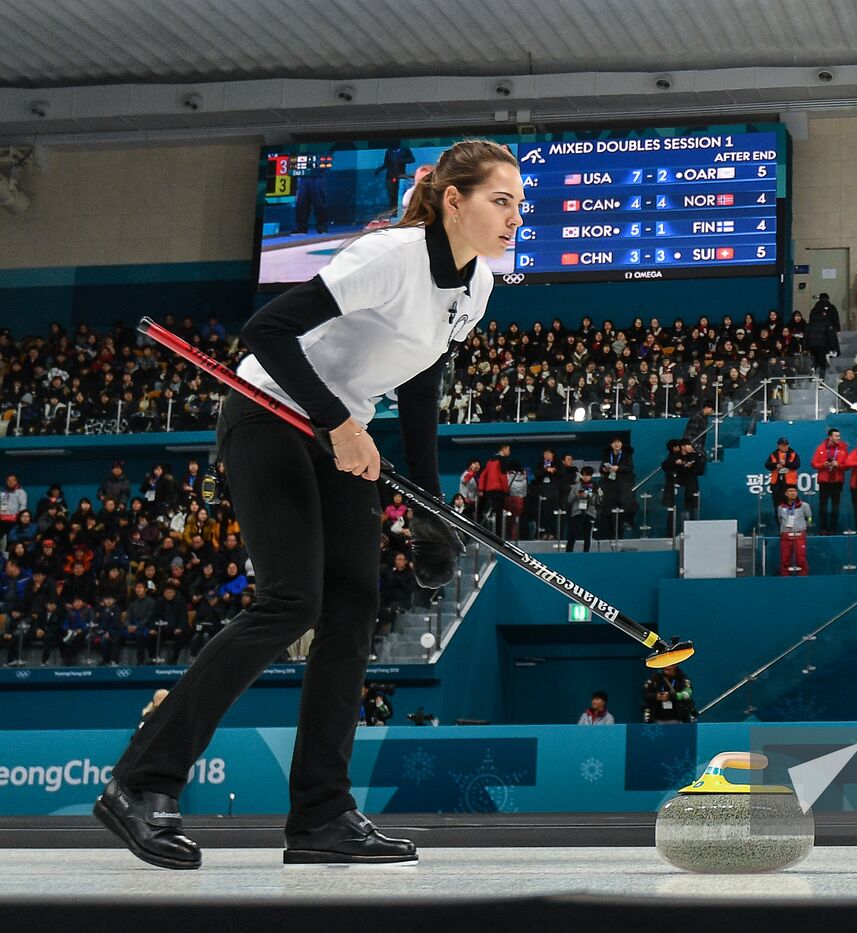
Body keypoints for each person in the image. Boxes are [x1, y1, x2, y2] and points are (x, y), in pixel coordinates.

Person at [95, 139, 522, 871]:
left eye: (519, 204)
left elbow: (420, 386)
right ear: (454, 201)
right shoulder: (390, 255)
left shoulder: (476, 285)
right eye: (501, 201)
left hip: (337, 430)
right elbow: (265, 332)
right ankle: (141, 781)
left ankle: (322, 814)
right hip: (269, 413)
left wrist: (429, 507)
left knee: (354, 605)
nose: (515, 218)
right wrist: (338, 423)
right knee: (292, 600)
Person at [810, 428, 848, 535]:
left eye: (839, 436)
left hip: (837, 481)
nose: (838, 438)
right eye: (836, 436)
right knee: (823, 506)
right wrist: (823, 465)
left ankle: (833, 529)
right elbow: (814, 463)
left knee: (835, 506)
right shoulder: (821, 448)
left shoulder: (843, 448)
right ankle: (823, 529)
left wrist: (838, 464)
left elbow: (847, 465)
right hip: (824, 481)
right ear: (830, 437)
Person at [776, 486, 813, 576]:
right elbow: (780, 520)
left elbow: (809, 518)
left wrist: (807, 525)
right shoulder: (781, 507)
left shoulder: (804, 506)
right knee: (784, 558)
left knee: (801, 558)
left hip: (800, 535)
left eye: (795, 491)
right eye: (790, 491)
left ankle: (803, 577)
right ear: (786, 493)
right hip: (786, 535)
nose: (793, 493)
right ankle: (785, 578)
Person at [765, 437, 801, 522]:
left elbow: (796, 465)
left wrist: (786, 463)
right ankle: (780, 525)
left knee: (792, 505)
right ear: (778, 446)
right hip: (777, 484)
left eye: (786, 444)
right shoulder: (773, 455)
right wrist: (776, 465)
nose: (785, 446)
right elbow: (767, 465)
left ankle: (791, 525)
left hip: (790, 484)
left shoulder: (793, 454)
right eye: (782, 445)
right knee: (778, 506)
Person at [566, 467, 601, 553]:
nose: (586, 477)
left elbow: (598, 501)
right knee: (573, 533)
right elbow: (570, 500)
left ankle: (586, 552)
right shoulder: (576, 486)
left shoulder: (595, 486)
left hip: (589, 512)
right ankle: (569, 552)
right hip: (577, 511)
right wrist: (577, 495)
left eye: (588, 475)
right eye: (584, 475)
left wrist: (589, 496)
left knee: (587, 534)